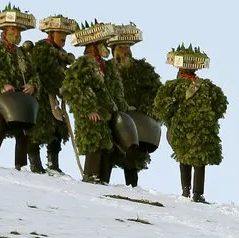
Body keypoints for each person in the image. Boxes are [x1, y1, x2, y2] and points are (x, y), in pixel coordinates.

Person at [153, 44, 228, 202]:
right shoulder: (194, 86)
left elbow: (161, 106)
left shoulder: (182, 86)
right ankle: (193, 193)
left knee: (190, 159)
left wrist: (173, 120)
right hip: (193, 129)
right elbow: (220, 103)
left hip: (191, 129)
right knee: (192, 159)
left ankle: (191, 192)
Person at [60, 20, 128, 184]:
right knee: (95, 145)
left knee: (108, 149)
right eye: (103, 43)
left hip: (108, 116)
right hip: (91, 117)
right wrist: (89, 109)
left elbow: (116, 90)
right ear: (94, 45)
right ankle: (90, 178)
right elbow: (73, 88)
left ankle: (103, 181)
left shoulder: (107, 66)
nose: (106, 47)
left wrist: (121, 110)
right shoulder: (83, 64)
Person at [0, 4, 38, 170]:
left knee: (25, 127)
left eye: (19, 30)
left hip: (22, 95)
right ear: (5, 30)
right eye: (14, 29)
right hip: (3, 96)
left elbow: (34, 74)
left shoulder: (23, 53)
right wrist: (2, 84)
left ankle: (20, 164)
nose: (17, 33)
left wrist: (32, 85)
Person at [107, 23, 162, 187]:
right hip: (113, 117)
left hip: (137, 121)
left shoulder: (143, 69)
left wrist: (145, 109)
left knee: (132, 156)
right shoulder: (107, 69)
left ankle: (133, 187)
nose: (125, 51)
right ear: (114, 50)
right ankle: (102, 183)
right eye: (121, 47)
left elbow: (154, 92)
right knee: (108, 152)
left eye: (127, 47)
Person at [27, 14, 77, 174]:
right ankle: (35, 163)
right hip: (42, 93)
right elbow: (46, 71)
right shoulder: (42, 48)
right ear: (51, 33)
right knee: (38, 128)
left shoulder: (60, 52)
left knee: (58, 129)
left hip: (54, 96)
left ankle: (53, 163)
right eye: (60, 33)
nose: (63, 37)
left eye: (65, 35)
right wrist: (62, 86)